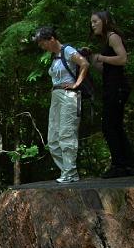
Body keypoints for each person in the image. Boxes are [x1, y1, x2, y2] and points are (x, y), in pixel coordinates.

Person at [32, 26, 90, 183]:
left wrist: (76, 84)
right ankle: (66, 171)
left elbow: (84, 64)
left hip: (69, 96)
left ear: (51, 39)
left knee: (66, 134)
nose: (42, 47)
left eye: (43, 43)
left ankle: (70, 173)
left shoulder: (67, 51)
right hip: (56, 96)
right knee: (53, 139)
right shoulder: (55, 56)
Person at [89, 11, 134, 178]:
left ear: (105, 20)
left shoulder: (113, 36)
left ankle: (119, 165)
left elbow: (123, 59)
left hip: (117, 87)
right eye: (91, 22)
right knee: (115, 126)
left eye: (95, 21)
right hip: (112, 86)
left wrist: (101, 57)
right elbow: (106, 68)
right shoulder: (106, 40)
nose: (93, 24)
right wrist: (93, 59)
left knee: (109, 126)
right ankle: (128, 165)